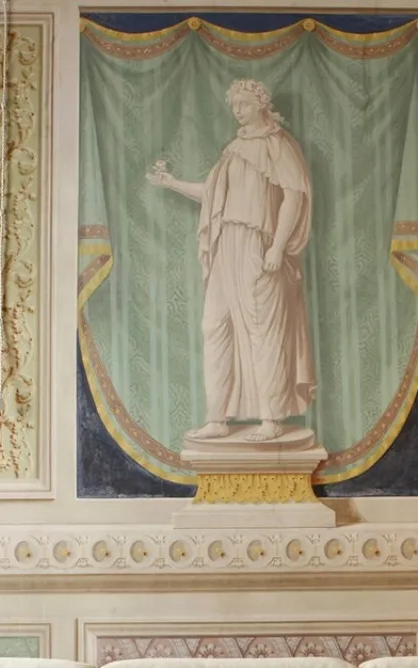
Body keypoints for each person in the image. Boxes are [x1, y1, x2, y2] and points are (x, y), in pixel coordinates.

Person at [148, 78, 316, 443]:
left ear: (261, 104)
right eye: (234, 105)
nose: (237, 110)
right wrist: (172, 183)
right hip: (226, 244)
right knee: (215, 325)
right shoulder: (233, 150)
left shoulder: (278, 145)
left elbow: (293, 197)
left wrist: (277, 247)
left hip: (258, 243)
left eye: (243, 103)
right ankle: (217, 418)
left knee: (262, 330)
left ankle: (271, 418)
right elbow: (211, 196)